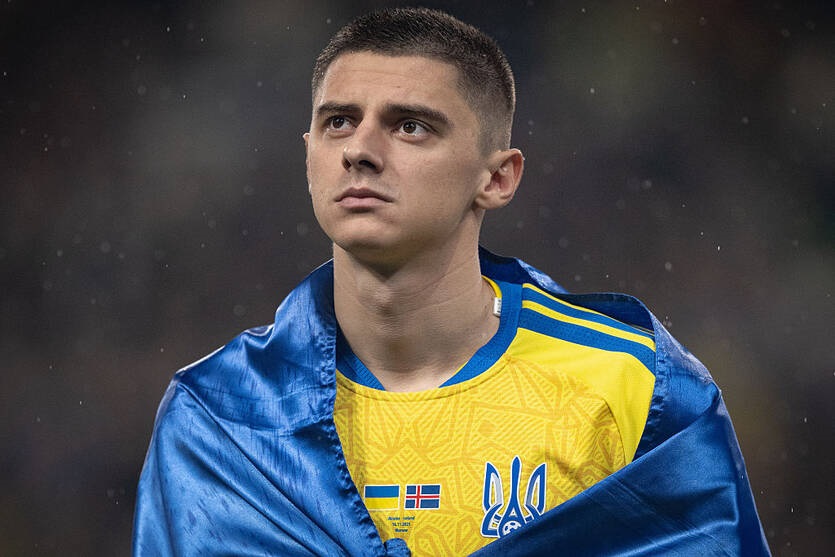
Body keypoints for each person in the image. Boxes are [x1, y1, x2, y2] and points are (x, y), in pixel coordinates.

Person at [133, 7, 770, 556]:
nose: (360, 149)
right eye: (338, 122)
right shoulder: (220, 414)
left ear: (497, 178)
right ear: (309, 154)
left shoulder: (634, 386)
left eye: (410, 126)